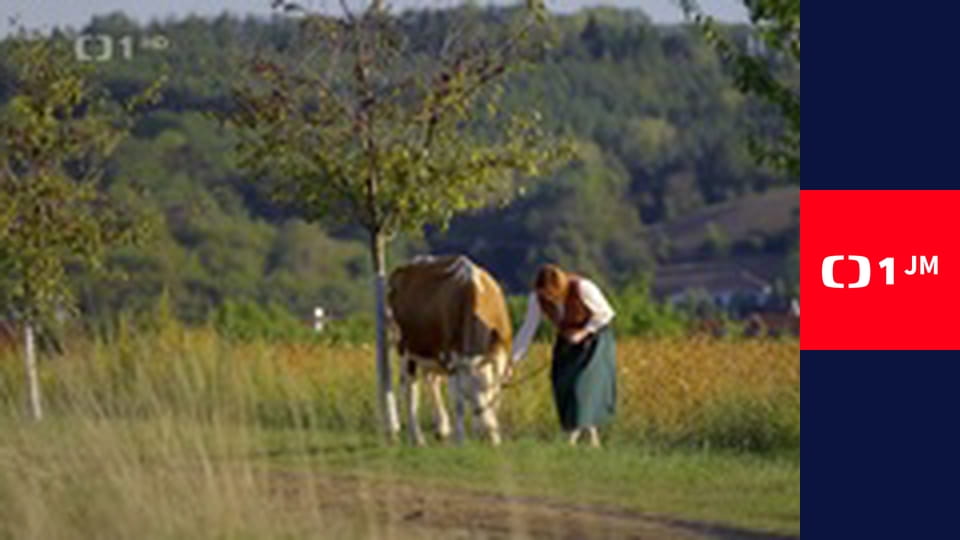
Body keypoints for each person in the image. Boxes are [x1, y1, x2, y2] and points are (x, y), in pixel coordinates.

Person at [511, 264, 617, 447]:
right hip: (567, 340)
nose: (549, 298)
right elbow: (528, 329)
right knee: (561, 381)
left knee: (582, 386)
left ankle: (571, 439)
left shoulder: (583, 288)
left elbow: (606, 314)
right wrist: (512, 360)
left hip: (595, 338)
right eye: (545, 294)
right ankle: (592, 439)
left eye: (552, 293)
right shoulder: (537, 299)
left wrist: (584, 332)